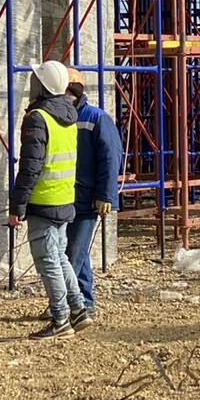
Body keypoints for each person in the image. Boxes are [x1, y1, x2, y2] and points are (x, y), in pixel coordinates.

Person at [7, 60, 91, 339]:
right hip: (65, 198)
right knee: (60, 256)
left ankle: (60, 319)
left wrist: (17, 207)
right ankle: (78, 308)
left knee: (48, 261)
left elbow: (30, 166)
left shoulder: (38, 118)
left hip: (44, 201)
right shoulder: (69, 115)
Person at [65, 68, 122, 315]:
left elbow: (111, 157)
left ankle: (67, 305)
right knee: (78, 252)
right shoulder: (63, 117)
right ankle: (84, 301)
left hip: (88, 198)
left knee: (73, 254)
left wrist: (106, 195)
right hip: (66, 196)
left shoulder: (96, 118)